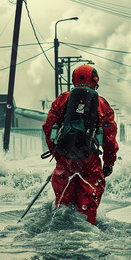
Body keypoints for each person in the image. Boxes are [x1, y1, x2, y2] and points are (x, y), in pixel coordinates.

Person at [42, 64, 118, 225]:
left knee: (62, 208)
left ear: (74, 80)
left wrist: (58, 155)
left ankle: (59, 240)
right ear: (95, 81)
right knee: (87, 211)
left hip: (65, 160)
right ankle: (86, 241)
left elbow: (48, 127)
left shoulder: (63, 99)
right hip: (89, 161)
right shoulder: (102, 104)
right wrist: (109, 163)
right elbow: (110, 138)